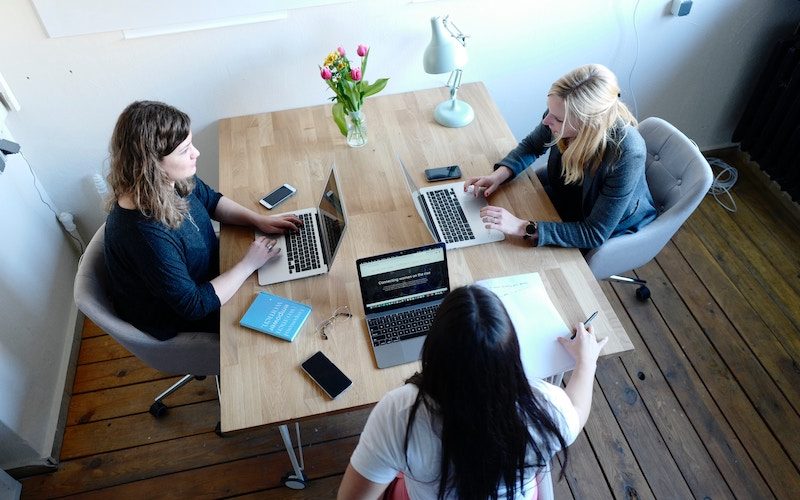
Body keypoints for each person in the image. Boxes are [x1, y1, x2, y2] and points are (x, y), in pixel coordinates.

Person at [337, 285, 607, 500]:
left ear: (433, 351)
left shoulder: (399, 413)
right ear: (512, 354)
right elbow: (577, 412)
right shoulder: (546, 407)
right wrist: (586, 362)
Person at [104, 100, 301, 340]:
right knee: (292, 305)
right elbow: (193, 306)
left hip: (211, 273)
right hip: (184, 314)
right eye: (185, 151)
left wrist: (257, 220)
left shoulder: (165, 182)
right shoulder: (145, 235)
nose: (196, 153)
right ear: (152, 164)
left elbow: (211, 201)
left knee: (290, 276)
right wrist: (248, 265)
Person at [466, 64, 657, 249]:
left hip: (603, 225)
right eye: (549, 111)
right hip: (566, 194)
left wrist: (521, 226)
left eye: (558, 119)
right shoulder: (559, 112)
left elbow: (594, 232)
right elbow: (532, 146)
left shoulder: (626, 154)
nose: (547, 120)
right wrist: (499, 175)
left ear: (590, 123)